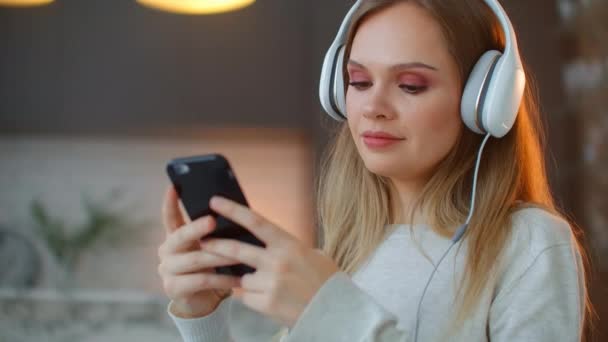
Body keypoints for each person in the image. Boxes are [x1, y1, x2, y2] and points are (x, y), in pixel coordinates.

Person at [157, 0, 591, 341]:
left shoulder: (530, 242)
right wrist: (204, 319)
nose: (373, 107)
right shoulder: (348, 250)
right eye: (359, 82)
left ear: (483, 102)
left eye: (410, 85)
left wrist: (330, 313)